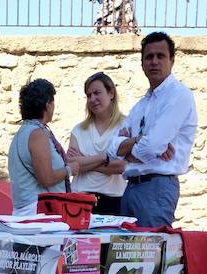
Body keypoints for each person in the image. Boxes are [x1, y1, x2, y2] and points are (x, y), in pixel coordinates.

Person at [107, 32, 198, 228]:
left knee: (150, 255)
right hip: (131, 188)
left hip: (157, 188)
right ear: (142, 64)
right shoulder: (141, 105)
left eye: (160, 56)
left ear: (172, 60)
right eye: (149, 57)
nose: (154, 61)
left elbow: (151, 147)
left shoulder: (179, 96)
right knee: (127, 257)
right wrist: (140, 141)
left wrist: (129, 150)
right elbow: (111, 150)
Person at [9, 78, 82, 215]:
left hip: (27, 211)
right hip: (38, 213)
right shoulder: (37, 134)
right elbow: (46, 178)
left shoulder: (22, 132)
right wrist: (69, 170)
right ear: (48, 105)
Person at [67, 72, 128, 215]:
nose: (92, 99)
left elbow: (121, 166)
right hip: (80, 199)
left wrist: (85, 161)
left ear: (111, 93)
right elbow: (72, 165)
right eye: (88, 95)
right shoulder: (78, 130)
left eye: (97, 93)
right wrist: (104, 158)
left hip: (114, 200)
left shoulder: (125, 126)